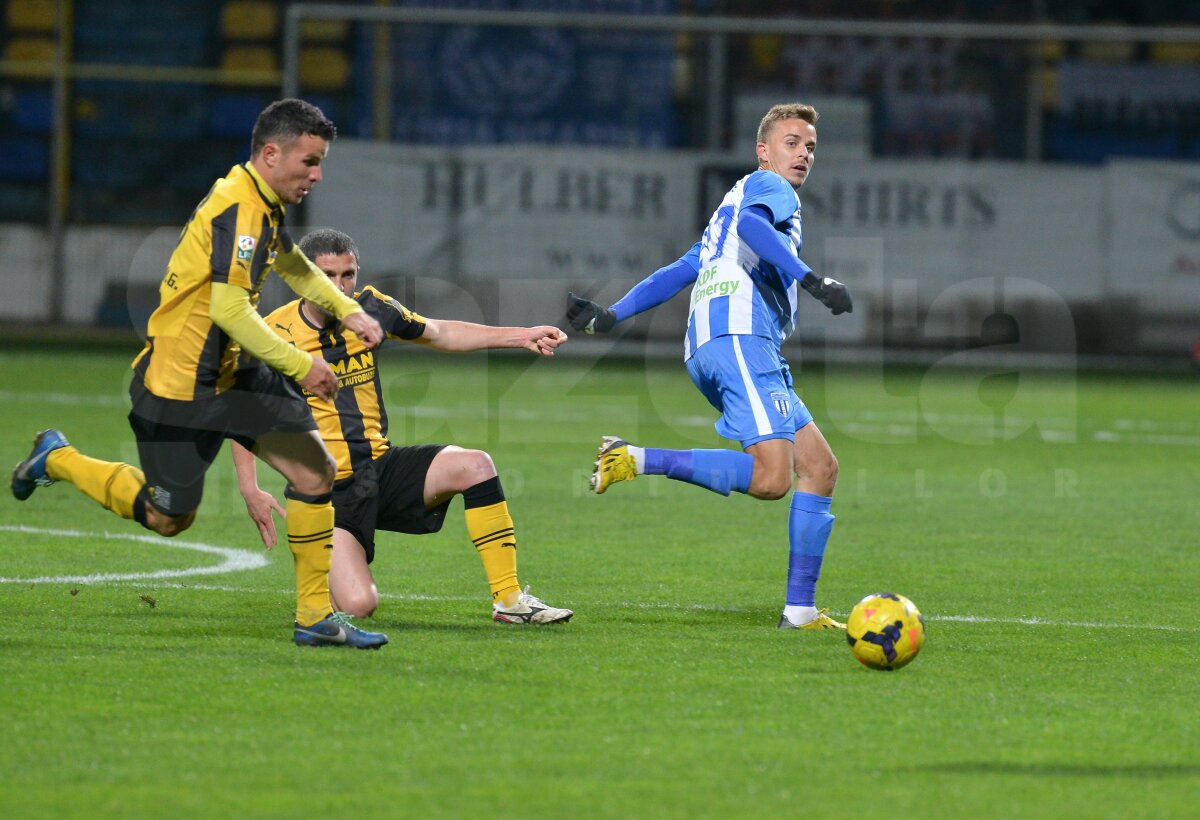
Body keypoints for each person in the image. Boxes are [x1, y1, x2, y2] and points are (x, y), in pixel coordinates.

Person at [11, 99, 389, 649]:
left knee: (315, 473)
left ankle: (315, 618)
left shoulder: (263, 200)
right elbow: (229, 311)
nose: (317, 174)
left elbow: (288, 262)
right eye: (309, 161)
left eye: (320, 161)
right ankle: (58, 458)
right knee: (169, 518)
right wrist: (301, 363)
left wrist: (347, 309)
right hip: (179, 386)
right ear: (270, 152)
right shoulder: (239, 209)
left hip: (234, 373)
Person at [566, 102, 853, 631]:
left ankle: (800, 611)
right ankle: (633, 458)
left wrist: (609, 316)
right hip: (740, 338)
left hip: (721, 344)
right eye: (792, 143)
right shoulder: (769, 192)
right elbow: (753, 227)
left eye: (810, 146)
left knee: (819, 467)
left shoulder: (730, 203)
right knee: (772, 479)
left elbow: (680, 269)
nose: (804, 154)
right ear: (763, 151)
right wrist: (812, 280)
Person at [231, 228, 573, 625]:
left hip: (380, 467)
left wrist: (521, 336)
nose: (340, 287)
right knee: (360, 606)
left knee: (476, 465)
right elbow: (244, 413)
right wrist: (249, 487)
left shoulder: (372, 308)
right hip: (327, 493)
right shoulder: (273, 334)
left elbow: (440, 332)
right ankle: (322, 568)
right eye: (327, 276)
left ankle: (509, 600)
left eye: (348, 274)